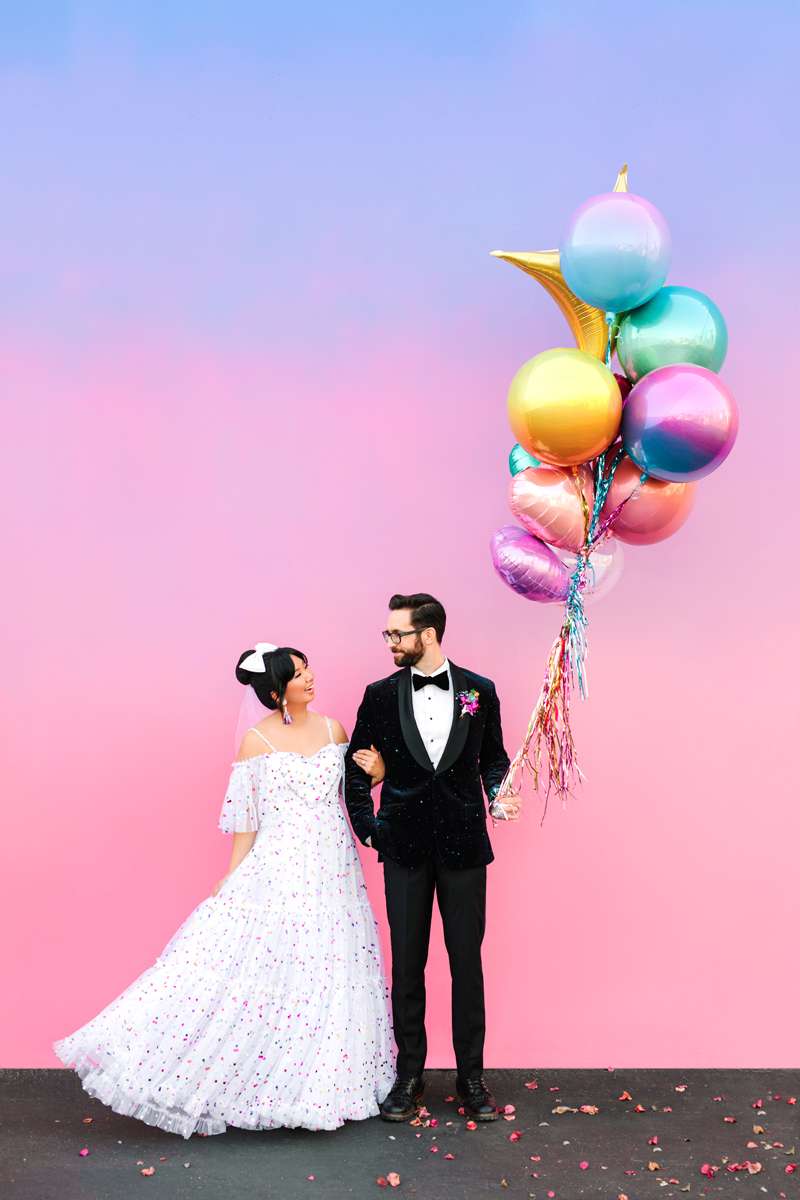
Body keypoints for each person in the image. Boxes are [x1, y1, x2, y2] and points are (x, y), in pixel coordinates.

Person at [54, 644, 394, 1138]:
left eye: (308, 669)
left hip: (334, 867)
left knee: (330, 966)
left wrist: (379, 775)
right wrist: (232, 876)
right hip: (280, 866)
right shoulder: (256, 742)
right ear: (276, 692)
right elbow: (247, 820)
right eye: (299, 674)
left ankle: (321, 1083)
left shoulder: (333, 730)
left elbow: (351, 793)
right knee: (274, 968)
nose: (310, 678)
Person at [344, 594, 519, 1124]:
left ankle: (471, 1078)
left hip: (465, 846)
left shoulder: (479, 690)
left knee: (467, 963)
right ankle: (409, 1075)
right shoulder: (379, 695)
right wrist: (370, 830)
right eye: (388, 634)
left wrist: (498, 793)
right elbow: (355, 770)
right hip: (403, 847)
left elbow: (493, 759)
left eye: (397, 634)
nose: (390, 642)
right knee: (407, 965)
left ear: (428, 634)